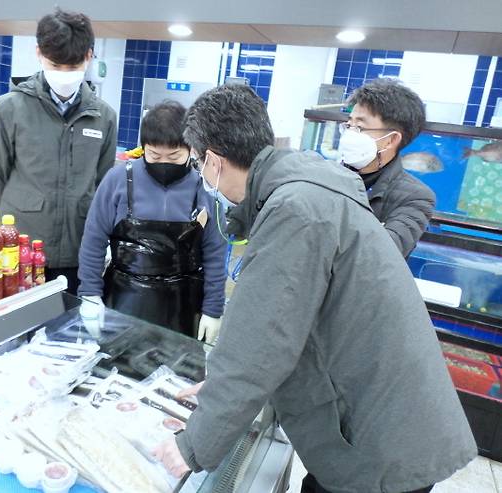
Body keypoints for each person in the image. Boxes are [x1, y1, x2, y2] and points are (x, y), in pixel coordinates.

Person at [153, 84, 477, 493]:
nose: (202, 175)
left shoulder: (295, 210)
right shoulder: (306, 187)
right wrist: (221, 391)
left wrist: (193, 446)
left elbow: (259, 343)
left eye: (200, 163)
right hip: (381, 424)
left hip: (378, 443)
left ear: (214, 161)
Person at [0, 9, 117, 295]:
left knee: (70, 318)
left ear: (88, 57)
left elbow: (103, 182)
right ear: (39, 53)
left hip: (79, 250)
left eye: (73, 66)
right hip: (22, 250)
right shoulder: (9, 108)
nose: (64, 74)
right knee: (21, 319)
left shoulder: (103, 117)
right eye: (56, 65)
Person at [77, 101, 226, 341]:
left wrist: (213, 309)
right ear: (143, 148)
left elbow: (215, 254)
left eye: (174, 156)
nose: (164, 163)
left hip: (183, 304)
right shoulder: (117, 180)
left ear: (191, 149)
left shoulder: (205, 187)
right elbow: (93, 240)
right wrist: (90, 294)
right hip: (123, 299)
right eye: (155, 155)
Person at [338, 79, 435, 257]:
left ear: (391, 140)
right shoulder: (327, 175)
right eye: (349, 125)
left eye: (360, 127)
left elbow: (383, 255)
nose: (350, 134)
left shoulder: (416, 197)